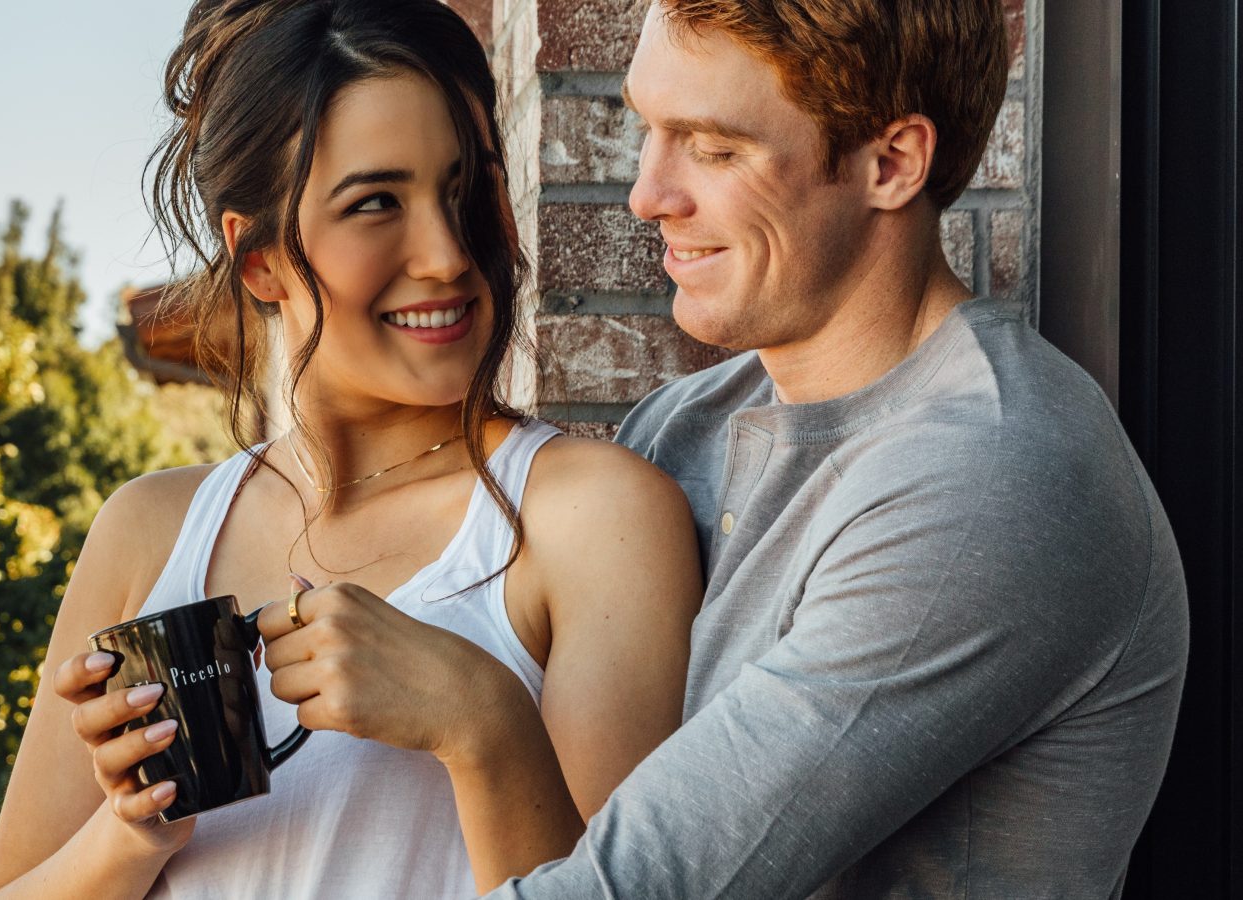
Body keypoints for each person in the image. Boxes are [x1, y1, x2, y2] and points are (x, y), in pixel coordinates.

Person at [0, 1, 701, 897]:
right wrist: (133, 834)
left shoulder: (593, 517)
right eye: (375, 203)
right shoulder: (152, 530)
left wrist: (481, 723)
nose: (446, 254)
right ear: (261, 260)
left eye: (468, 186)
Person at [483, 2, 1191, 897]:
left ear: (890, 164)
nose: (647, 194)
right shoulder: (678, 429)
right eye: (646, 127)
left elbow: (642, 884)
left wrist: (476, 719)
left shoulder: (992, 477)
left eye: (713, 147)